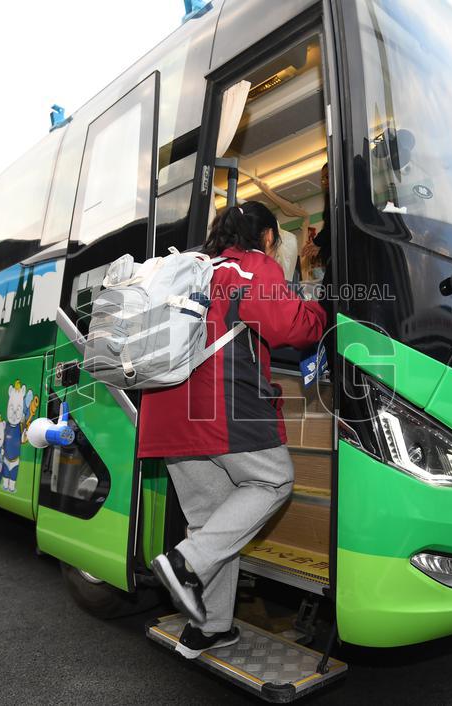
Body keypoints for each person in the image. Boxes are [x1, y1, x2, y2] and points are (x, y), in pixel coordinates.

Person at [140, 203, 327, 658]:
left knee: (210, 520)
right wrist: (323, 313)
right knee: (273, 479)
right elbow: (289, 325)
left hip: (166, 409)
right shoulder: (250, 267)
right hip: (221, 404)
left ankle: (207, 628)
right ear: (265, 237)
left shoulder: (191, 266)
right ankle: (186, 564)